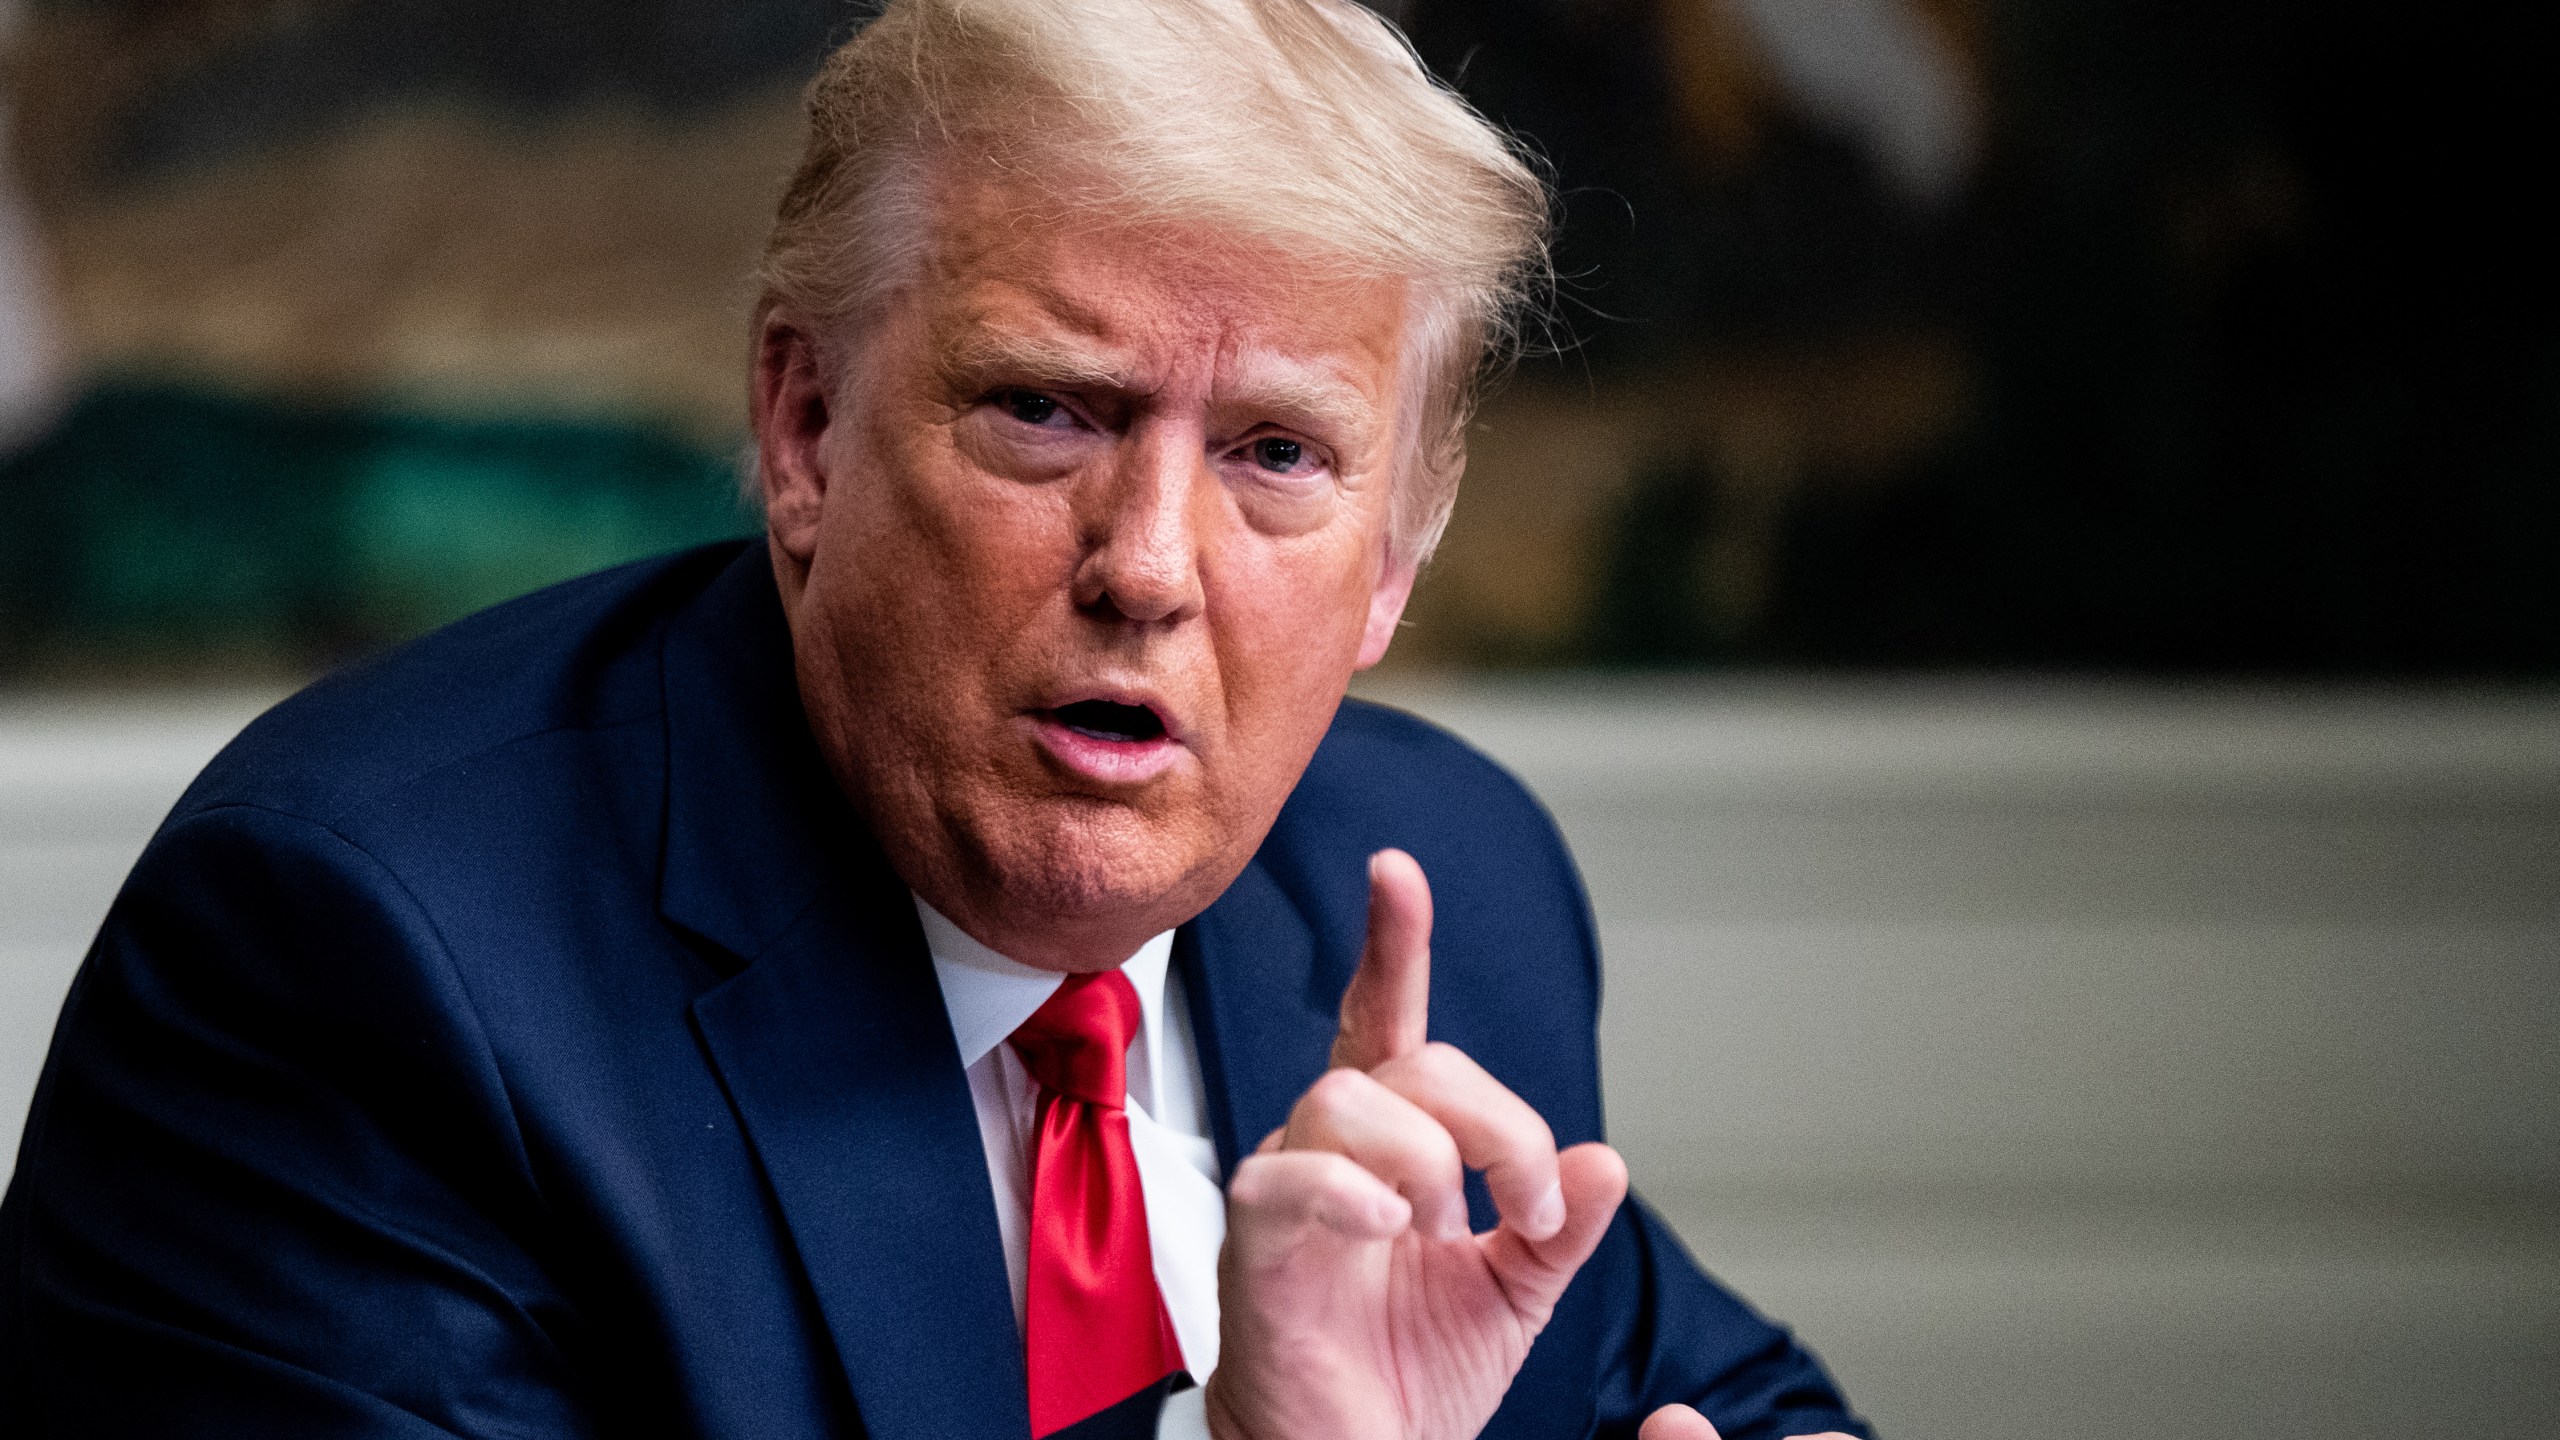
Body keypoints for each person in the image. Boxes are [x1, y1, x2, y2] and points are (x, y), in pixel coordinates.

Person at [0, 2, 1871, 1437]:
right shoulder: (365, 967)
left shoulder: (1445, 894)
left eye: (1277, 454)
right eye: (1046, 412)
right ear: (806, 430)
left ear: (1395, 560)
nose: (1149, 564)